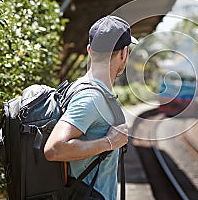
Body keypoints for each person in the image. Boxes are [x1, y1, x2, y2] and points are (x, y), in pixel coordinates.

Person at [44, 15, 138, 200]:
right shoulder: (91, 98)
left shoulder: (83, 89)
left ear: (90, 51)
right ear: (123, 53)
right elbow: (54, 149)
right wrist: (110, 142)